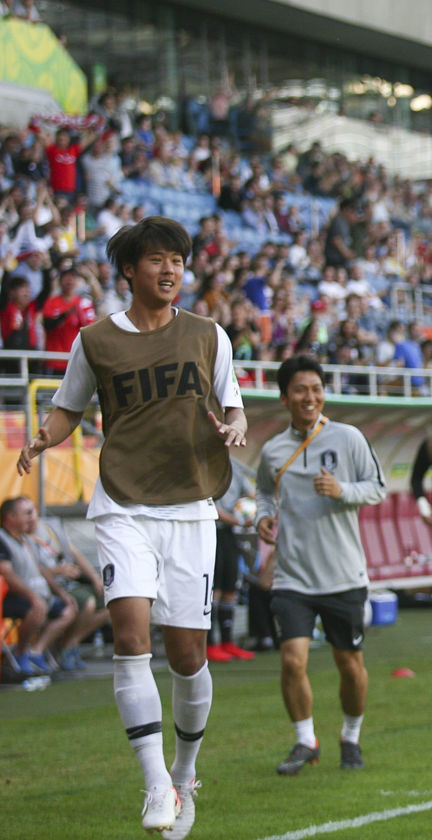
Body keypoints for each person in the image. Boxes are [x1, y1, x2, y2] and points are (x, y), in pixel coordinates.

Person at [17, 216, 247, 836]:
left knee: (188, 653)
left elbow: (231, 403)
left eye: (177, 259)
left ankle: (183, 775)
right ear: (128, 270)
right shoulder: (94, 340)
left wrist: (235, 426)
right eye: (156, 260)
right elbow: (68, 408)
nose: (170, 270)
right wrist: (42, 440)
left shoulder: (209, 335)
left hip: (192, 507)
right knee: (129, 637)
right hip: (122, 503)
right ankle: (153, 785)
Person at [255, 354, 386, 774]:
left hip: (343, 573)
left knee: (350, 665)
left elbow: (377, 488)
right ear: (284, 398)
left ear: (323, 393)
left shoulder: (348, 438)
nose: (309, 397)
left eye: (315, 389)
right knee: (292, 660)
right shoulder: (273, 450)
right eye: (300, 390)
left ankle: (351, 736)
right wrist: (262, 516)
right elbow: (262, 492)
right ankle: (304, 740)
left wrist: (341, 489)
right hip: (292, 575)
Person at [0, 496, 77, 677]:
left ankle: (36, 650)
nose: (31, 518)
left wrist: (61, 593)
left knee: (68, 609)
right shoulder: (2, 540)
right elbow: (7, 575)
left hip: (39, 595)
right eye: (27, 514)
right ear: (11, 517)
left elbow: (41, 569)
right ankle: (21, 652)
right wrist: (32, 597)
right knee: (38, 608)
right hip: (14, 597)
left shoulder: (27, 539)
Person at [28, 503, 111, 670]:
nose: (30, 517)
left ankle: (71, 642)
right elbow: (29, 570)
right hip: (47, 587)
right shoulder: (21, 538)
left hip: (70, 583)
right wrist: (57, 571)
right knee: (87, 603)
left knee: (111, 602)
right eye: (26, 513)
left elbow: (74, 553)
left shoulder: (48, 528)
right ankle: (63, 647)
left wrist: (95, 578)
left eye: (32, 512)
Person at [205, 459, 256, 663]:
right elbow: (209, 505)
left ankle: (227, 642)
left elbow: (250, 492)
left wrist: (259, 507)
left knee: (229, 585)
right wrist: (239, 520)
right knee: (214, 588)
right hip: (210, 530)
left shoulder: (233, 466)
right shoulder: (205, 465)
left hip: (228, 533)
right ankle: (210, 644)